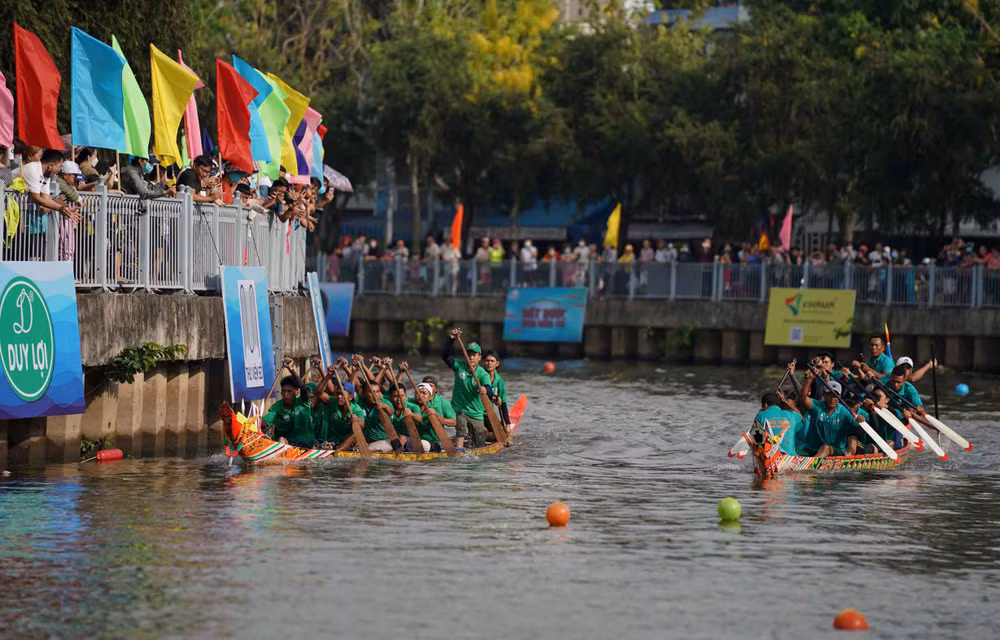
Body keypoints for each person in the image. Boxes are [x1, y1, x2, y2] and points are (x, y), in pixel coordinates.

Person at [441, 328, 496, 448]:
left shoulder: (483, 374)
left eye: (474, 355)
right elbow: (445, 356)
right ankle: (459, 451)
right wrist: (451, 339)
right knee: (460, 431)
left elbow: (489, 388)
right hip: (460, 408)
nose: (471, 357)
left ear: (479, 357)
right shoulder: (459, 366)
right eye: (469, 354)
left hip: (476, 411)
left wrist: (485, 389)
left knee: (480, 440)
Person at [798, 373, 860, 457]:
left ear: (839, 397)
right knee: (796, 451)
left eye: (835, 396)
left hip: (835, 451)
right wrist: (810, 379)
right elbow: (802, 399)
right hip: (812, 449)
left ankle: (811, 468)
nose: (832, 399)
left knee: (825, 448)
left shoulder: (844, 412)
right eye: (829, 395)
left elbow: (857, 433)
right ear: (824, 395)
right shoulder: (817, 406)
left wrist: (861, 422)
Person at [262, 358, 313, 448]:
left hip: (305, 443)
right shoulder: (277, 407)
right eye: (283, 391)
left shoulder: (303, 402)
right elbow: (266, 420)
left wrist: (291, 369)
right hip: (286, 443)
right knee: (281, 438)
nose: (285, 394)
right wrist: (256, 423)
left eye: (289, 391)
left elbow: (303, 388)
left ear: (297, 392)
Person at [750, 386, 803, 456]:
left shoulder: (760, 415)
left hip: (770, 456)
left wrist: (759, 414)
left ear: (765, 405)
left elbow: (754, 438)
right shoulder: (792, 414)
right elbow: (801, 418)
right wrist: (784, 400)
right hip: (790, 456)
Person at [481, 350, 511, 435]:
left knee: (500, 434)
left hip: (489, 414)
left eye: (492, 361)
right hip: (476, 413)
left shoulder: (500, 381)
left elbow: (503, 404)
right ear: (484, 362)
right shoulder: (478, 376)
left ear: (497, 363)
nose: (489, 363)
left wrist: (508, 424)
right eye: (487, 361)